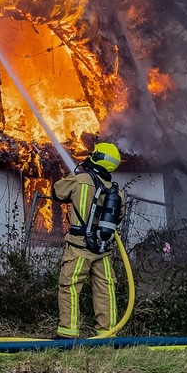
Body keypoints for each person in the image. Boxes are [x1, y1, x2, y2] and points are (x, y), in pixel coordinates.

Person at [51, 142, 126, 338]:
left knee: (70, 287)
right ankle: (106, 333)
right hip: (103, 248)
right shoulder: (116, 191)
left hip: (79, 247)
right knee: (105, 289)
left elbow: (57, 192)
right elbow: (118, 216)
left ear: (97, 157)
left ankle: (68, 333)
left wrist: (77, 171)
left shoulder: (80, 180)